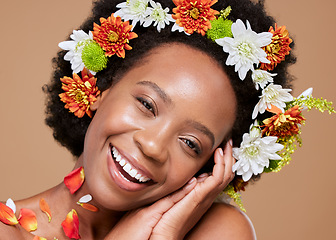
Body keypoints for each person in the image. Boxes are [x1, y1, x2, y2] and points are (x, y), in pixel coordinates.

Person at [0, 0, 333, 239]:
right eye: (147, 104)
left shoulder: (219, 232)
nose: (153, 146)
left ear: (210, 167)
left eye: (190, 143)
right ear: (101, 85)